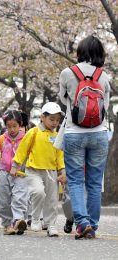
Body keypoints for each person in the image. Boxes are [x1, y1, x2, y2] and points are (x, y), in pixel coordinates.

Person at [59, 35, 110, 239]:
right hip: (99, 134)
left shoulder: (67, 73)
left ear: (79, 53)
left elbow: (64, 98)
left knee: (76, 180)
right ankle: (93, 225)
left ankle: (82, 223)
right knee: (95, 183)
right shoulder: (103, 76)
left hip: (74, 133)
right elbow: (104, 106)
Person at [11, 102, 65, 237]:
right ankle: (35, 218)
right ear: (42, 117)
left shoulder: (57, 135)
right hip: (33, 170)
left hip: (51, 172)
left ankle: (50, 224)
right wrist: (15, 165)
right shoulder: (33, 132)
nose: (55, 123)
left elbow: (60, 155)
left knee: (52, 200)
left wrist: (62, 171)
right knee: (38, 192)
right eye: (51, 119)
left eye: (57, 120)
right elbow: (22, 149)